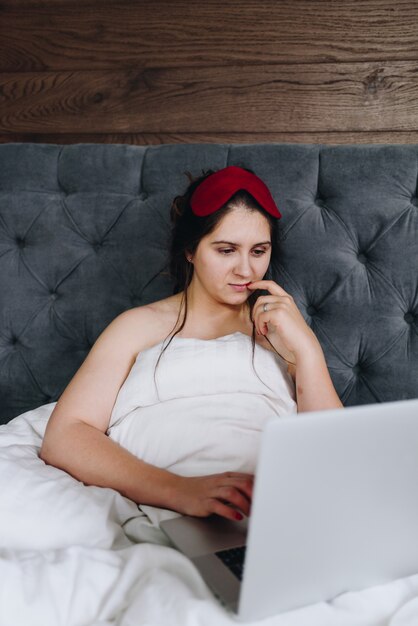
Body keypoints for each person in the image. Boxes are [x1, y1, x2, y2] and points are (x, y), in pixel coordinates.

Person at [40, 165, 343, 524]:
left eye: (259, 251)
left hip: (278, 512)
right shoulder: (137, 327)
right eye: (226, 250)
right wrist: (178, 490)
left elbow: (337, 450)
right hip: (171, 507)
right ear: (190, 250)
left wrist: (307, 351)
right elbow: (65, 435)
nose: (245, 271)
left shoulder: (282, 332)